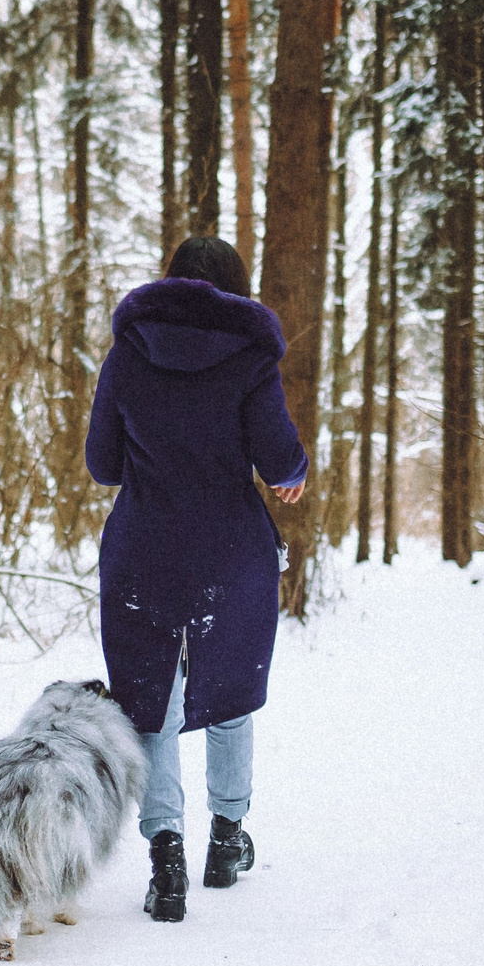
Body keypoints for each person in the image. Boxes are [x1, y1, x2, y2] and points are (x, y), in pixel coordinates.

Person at [84, 236, 307, 923]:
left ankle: (167, 859)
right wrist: (292, 475)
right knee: (231, 689)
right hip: (229, 554)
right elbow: (280, 458)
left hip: (143, 551)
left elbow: (103, 463)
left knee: (149, 701)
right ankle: (228, 839)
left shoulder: (129, 353)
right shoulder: (249, 356)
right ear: (235, 288)